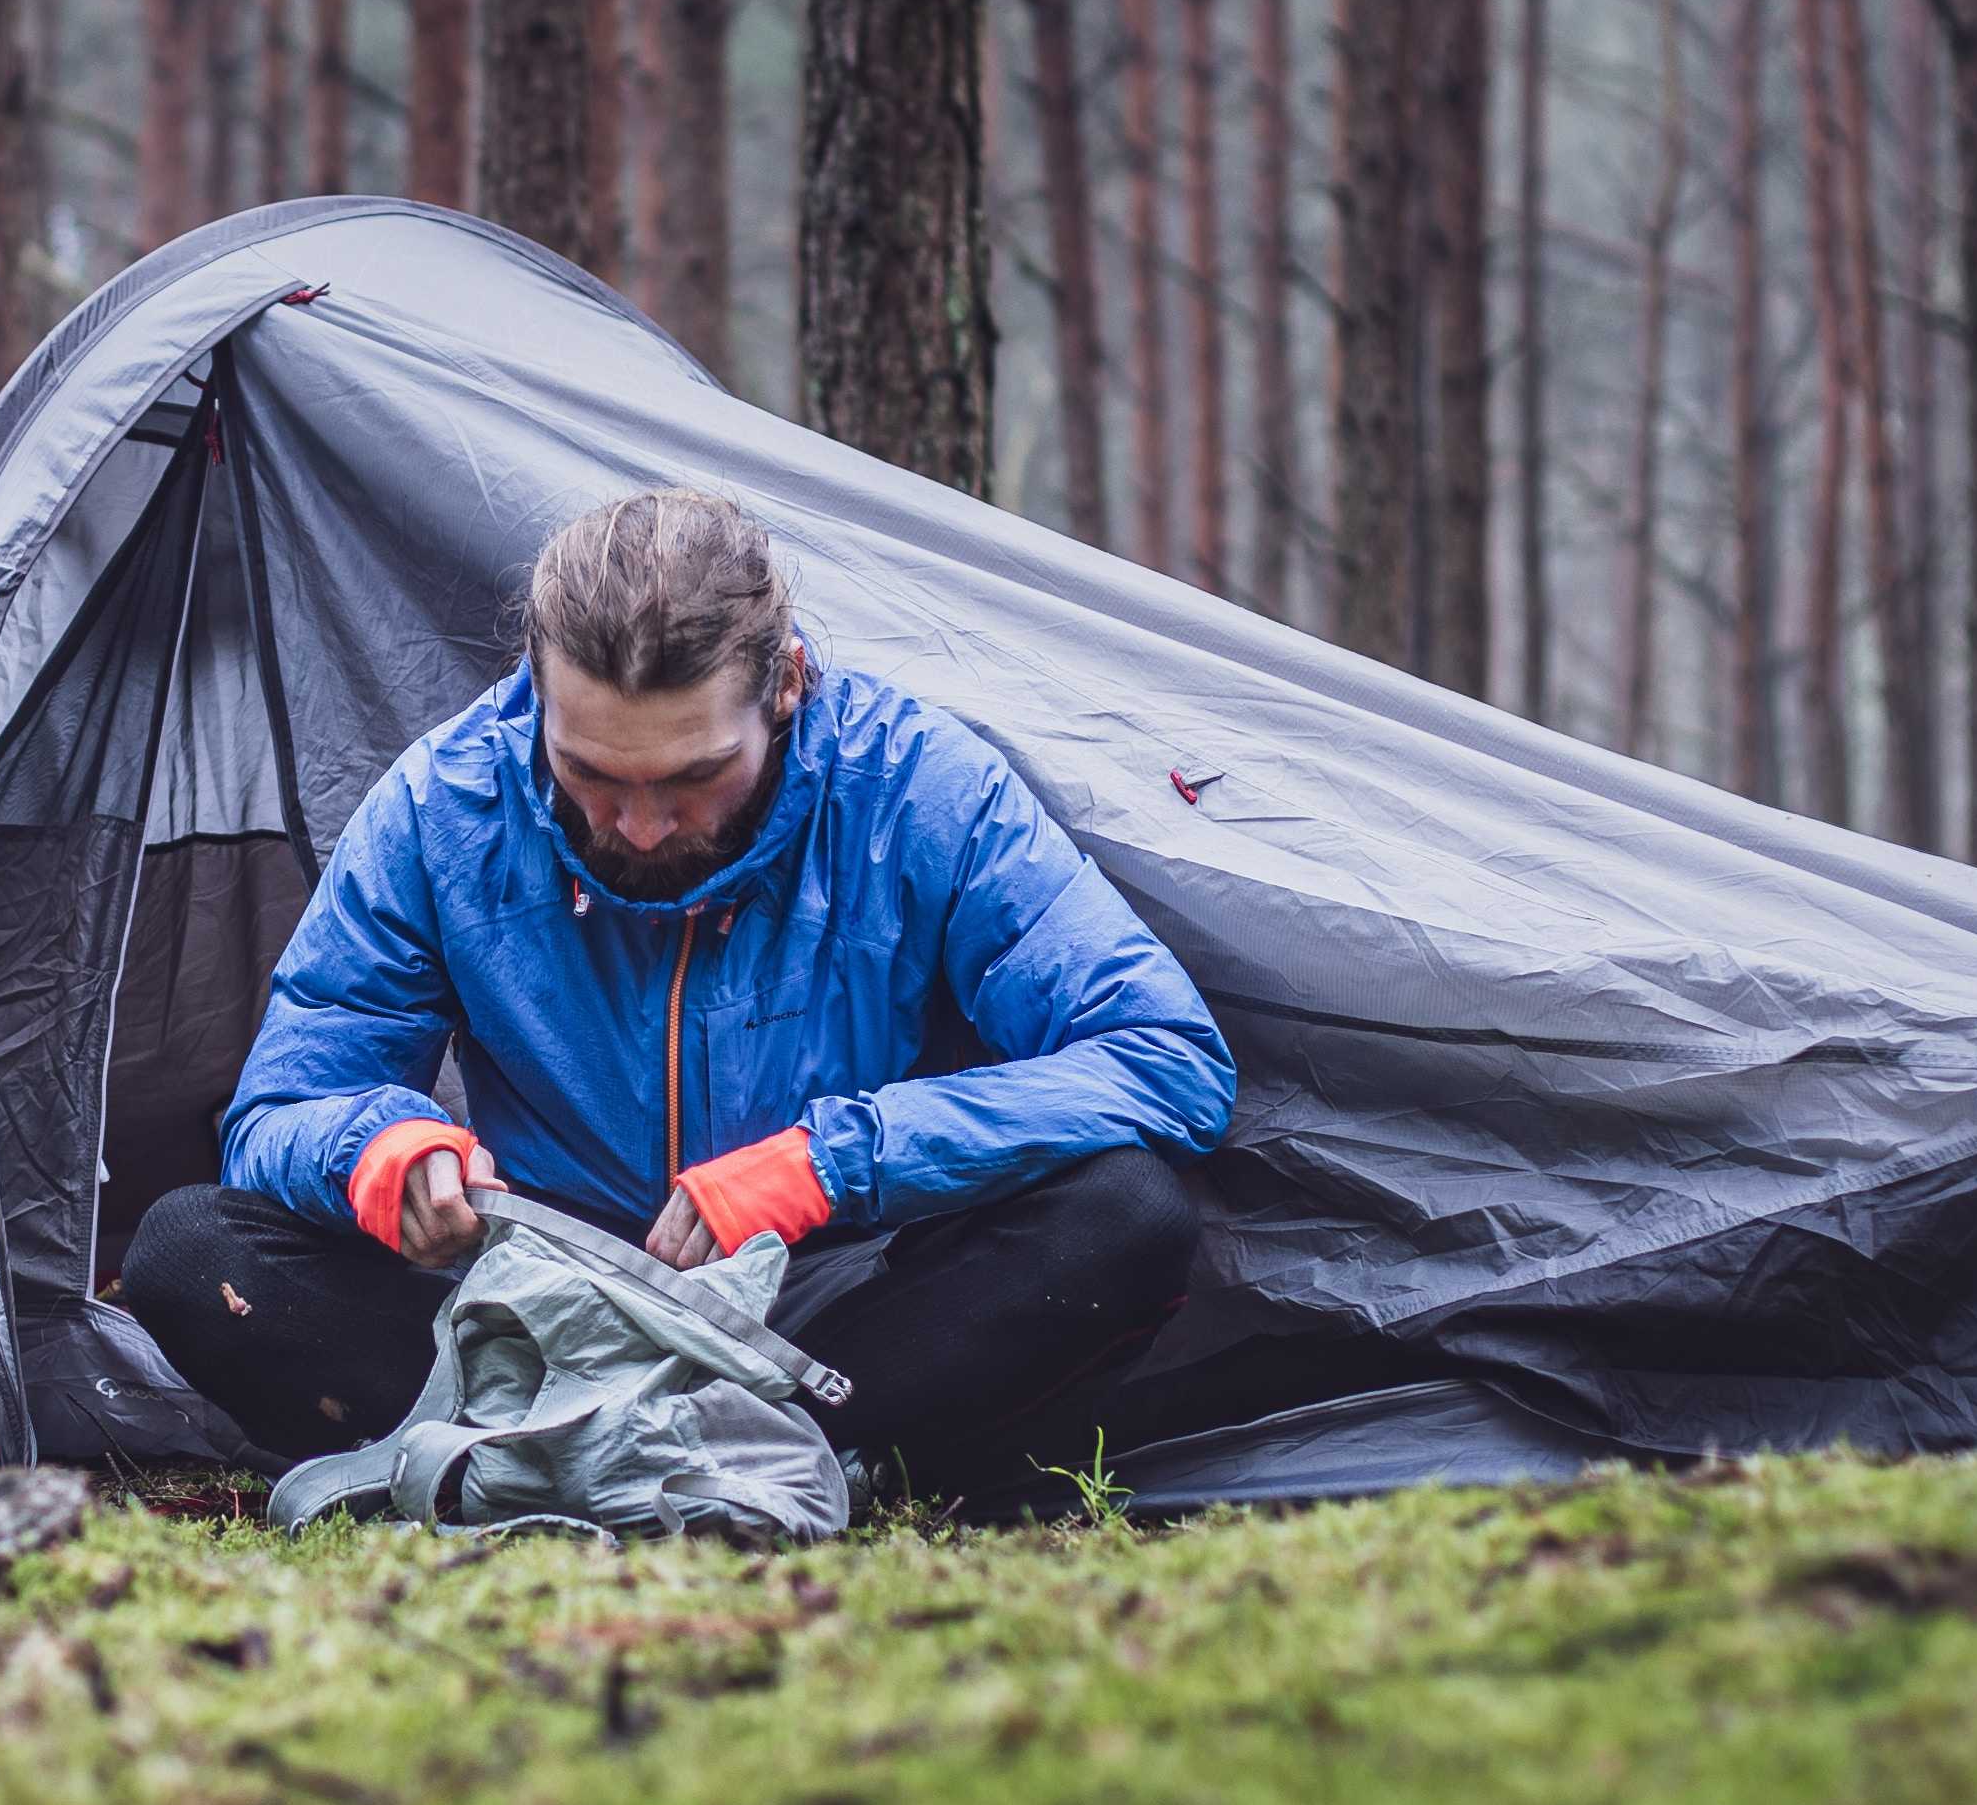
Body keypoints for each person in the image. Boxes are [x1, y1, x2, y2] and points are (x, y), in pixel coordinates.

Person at [119, 487, 1236, 1504]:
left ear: (786, 685)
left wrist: (825, 1163)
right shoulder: (439, 809)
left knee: (1125, 1217)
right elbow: (280, 1110)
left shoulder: (919, 787)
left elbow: (1164, 1058)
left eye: (695, 778)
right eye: (592, 775)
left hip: (821, 1309)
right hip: (525, 1314)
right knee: (185, 1251)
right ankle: (609, 1463)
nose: (642, 826)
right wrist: (383, 1152)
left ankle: (725, 1466)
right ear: (535, 696)